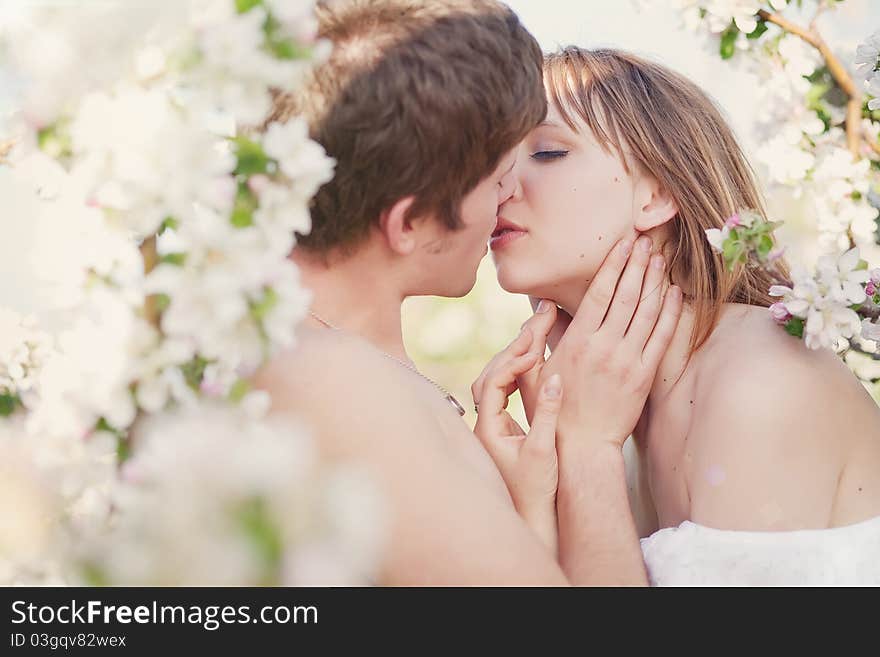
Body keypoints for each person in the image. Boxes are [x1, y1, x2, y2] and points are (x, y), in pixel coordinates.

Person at [253, 1, 682, 585]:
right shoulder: (336, 383)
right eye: (497, 173)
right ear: (407, 224)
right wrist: (588, 448)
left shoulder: (348, 366)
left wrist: (529, 507)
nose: (509, 192)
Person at [480, 46, 880, 585]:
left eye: (548, 153)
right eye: (493, 162)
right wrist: (541, 496)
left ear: (658, 193)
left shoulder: (762, 381)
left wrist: (588, 456)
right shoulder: (611, 405)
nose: (499, 186)